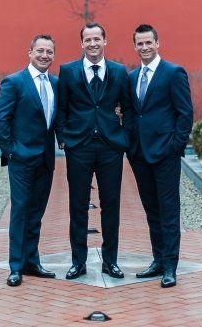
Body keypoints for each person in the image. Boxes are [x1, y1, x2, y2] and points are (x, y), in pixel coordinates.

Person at [55, 23, 133, 280]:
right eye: (87, 39)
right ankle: (79, 262)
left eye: (97, 38)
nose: (93, 43)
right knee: (77, 206)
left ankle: (110, 261)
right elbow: (62, 109)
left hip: (111, 147)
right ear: (82, 43)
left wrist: (124, 137)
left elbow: (129, 108)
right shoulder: (68, 71)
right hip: (79, 147)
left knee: (111, 206)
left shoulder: (120, 72)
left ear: (105, 41)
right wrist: (64, 138)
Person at [127, 24, 193, 288]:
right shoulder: (132, 77)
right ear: (135, 47)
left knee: (168, 212)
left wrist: (175, 147)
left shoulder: (173, 72)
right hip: (140, 154)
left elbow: (185, 113)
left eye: (148, 43)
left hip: (165, 154)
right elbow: (133, 113)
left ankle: (170, 267)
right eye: (140, 44)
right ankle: (157, 260)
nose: (144, 48)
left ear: (158, 43)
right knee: (151, 210)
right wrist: (130, 145)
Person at [0, 34, 59, 287]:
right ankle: (16, 266)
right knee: (20, 212)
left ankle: (32, 261)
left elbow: (53, 120)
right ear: (29, 52)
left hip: (45, 159)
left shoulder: (55, 83)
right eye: (40, 50)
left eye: (49, 52)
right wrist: (11, 152)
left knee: (36, 213)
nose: (45, 55)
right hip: (21, 159)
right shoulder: (14, 82)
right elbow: (1, 120)